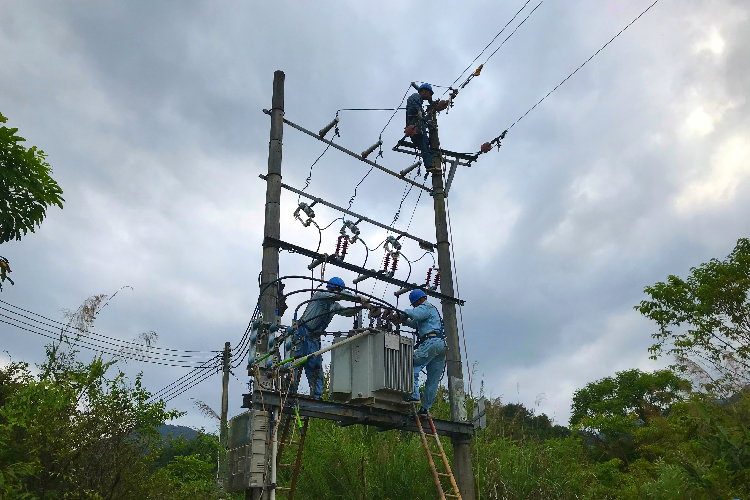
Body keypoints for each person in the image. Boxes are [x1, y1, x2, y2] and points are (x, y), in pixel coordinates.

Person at [292, 277, 362, 399]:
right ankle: (289, 391)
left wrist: (362, 307)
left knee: (316, 367)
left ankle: (317, 396)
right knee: (294, 364)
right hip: (301, 334)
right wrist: (358, 298)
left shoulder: (333, 306)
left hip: (314, 339)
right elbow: (340, 296)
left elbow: (347, 312)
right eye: (336, 290)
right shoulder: (320, 295)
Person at [401, 289, 446, 415]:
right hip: (441, 346)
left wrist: (403, 312)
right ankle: (425, 408)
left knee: (410, 363)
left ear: (420, 300)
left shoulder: (426, 307)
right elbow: (415, 323)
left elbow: (415, 314)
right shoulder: (431, 313)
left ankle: (415, 394)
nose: (415, 306)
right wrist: (403, 320)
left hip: (430, 343)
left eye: (415, 304)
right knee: (432, 380)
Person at [404, 83, 448, 172]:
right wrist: (419, 110)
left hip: (418, 129)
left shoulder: (419, 101)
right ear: (423, 91)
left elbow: (423, 117)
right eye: (430, 94)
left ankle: (431, 160)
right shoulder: (416, 96)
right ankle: (429, 166)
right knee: (425, 146)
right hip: (416, 128)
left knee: (427, 145)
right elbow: (412, 101)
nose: (430, 96)